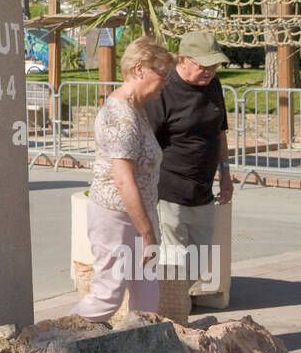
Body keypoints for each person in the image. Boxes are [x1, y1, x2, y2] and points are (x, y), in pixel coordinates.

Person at [71, 37, 175, 321]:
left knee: (146, 290)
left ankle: (143, 346)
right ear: (139, 70)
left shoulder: (136, 108)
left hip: (137, 213)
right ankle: (56, 340)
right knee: (108, 294)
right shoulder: (120, 114)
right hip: (115, 215)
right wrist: (147, 233)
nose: (166, 82)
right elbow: (123, 179)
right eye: (162, 74)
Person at [145, 30, 233, 294]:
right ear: (183, 59)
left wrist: (225, 174)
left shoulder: (213, 86)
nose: (210, 71)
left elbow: (220, 132)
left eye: (214, 65)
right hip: (169, 188)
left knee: (197, 262)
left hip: (202, 190)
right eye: (203, 65)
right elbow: (147, 141)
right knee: (174, 262)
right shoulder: (164, 89)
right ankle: (172, 314)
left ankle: (177, 304)